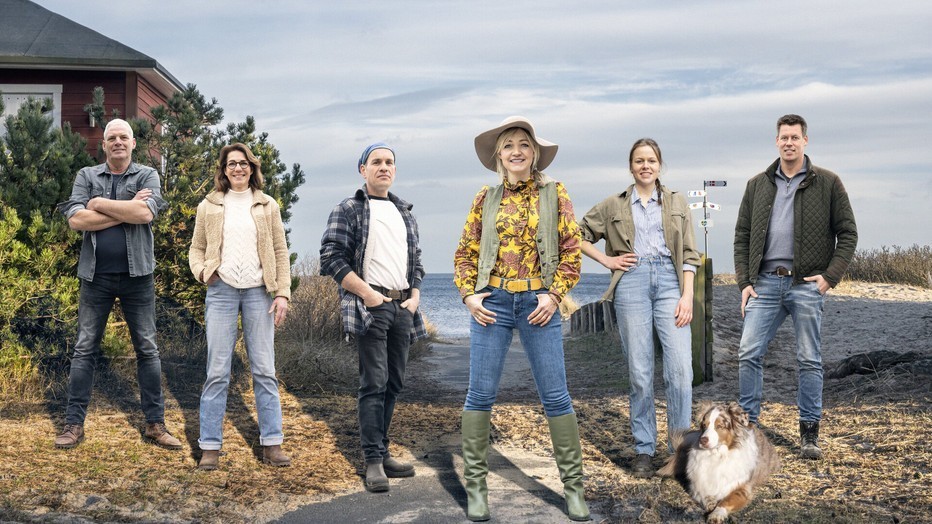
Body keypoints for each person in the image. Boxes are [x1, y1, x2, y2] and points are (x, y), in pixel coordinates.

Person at [453, 116, 589, 522]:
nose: (516, 150)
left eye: (524, 144)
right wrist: (469, 296)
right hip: (491, 302)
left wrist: (554, 295)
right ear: (499, 155)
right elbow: (465, 253)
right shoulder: (485, 198)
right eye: (509, 144)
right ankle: (477, 489)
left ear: (534, 154)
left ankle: (574, 489)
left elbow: (571, 251)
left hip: (538, 303)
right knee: (480, 395)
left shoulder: (555, 193)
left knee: (555, 395)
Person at [734, 114, 857, 459]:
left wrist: (829, 277)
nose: (789, 143)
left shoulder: (828, 182)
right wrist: (744, 281)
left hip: (806, 284)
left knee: (808, 359)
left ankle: (809, 435)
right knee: (748, 352)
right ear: (777, 141)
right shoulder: (757, 184)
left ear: (806, 141)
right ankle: (747, 429)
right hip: (764, 283)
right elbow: (742, 235)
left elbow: (848, 233)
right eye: (783, 137)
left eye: (795, 137)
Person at [578, 138, 700, 479]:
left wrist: (687, 296)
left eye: (651, 160)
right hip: (630, 281)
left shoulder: (677, 202)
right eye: (639, 161)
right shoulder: (614, 205)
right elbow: (577, 234)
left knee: (679, 369)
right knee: (640, 371)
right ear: (631, 167)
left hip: (671, 283)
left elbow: (689, 254)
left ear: (660, 165)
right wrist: (607, 259)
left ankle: (680, 451)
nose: (645, 165)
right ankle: (644, 450)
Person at [55, 118, 180, 450]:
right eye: (112, 138)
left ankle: (155, 424)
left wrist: (97, 204)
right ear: (105, 144)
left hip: (137, 277)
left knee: (147, 351)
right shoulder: (86, 175)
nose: (118, 142)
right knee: (84, 350)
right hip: (95, 278)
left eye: (124, 137)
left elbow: (145, 215)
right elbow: (75, 220)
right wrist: (125, 208)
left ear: (133, 143)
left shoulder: (147, 175)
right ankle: (73, 425)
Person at [320, 143, 426, 493]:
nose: (384, 167)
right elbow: (331, 258)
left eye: (390, 162)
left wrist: (415, 296)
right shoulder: (349, 209)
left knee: (394, 382)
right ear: (362, 169)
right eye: (376, 162)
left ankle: (382, 450)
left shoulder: (405, 212)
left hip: (402, 308)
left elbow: (417, 261)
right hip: (371, 306)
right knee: (374, 383)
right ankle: (372, 461)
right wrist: (367, 294)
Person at [188, 143, 292, 470]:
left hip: (260, 292)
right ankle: (210, 447)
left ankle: (272, 444)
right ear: (223, 169)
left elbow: (280, 250)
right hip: (221, 292)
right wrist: (205, 272)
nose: (238, 169)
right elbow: (196, 249)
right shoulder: (209, 205)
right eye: (232, 164)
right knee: (217, 371)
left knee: (264, 369)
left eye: (243, 163)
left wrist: (282, 294)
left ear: (252, 168)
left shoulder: (267, 205)